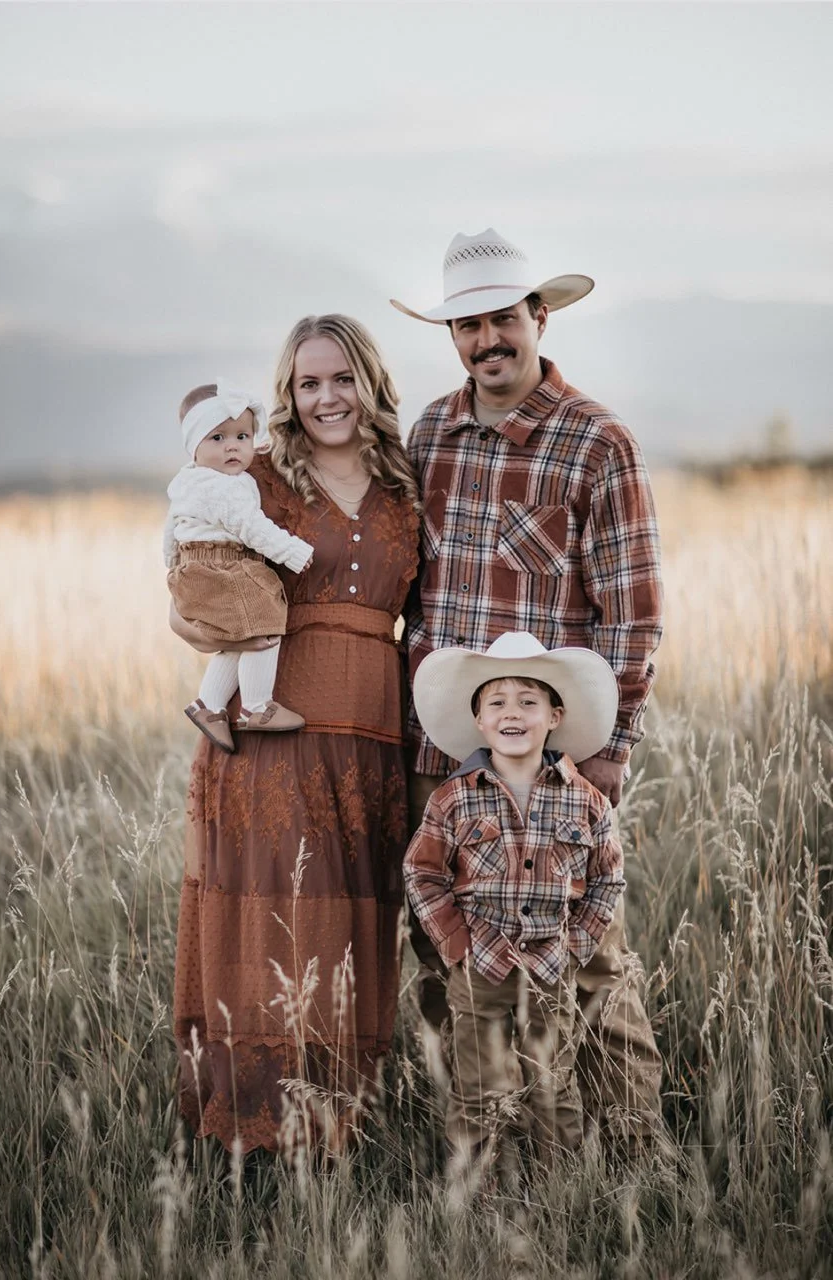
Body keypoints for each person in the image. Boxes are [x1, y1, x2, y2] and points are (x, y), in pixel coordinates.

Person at [391, 227, 665, 1150]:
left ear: (538, 317)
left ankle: (630, 1160)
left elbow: (631, 615)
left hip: (553, 761)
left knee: (589, 965)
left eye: (503, 319)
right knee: (449, 959)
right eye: (466, 326)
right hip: (440, 753)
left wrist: (609, 755)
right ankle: (486, 1155)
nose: (486, 342)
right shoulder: (429, 433)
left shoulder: (597, 444)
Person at [170, 315, 420, 1155]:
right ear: (287, 394)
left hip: (372, 736)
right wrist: (196, 617)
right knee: (272, 920)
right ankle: (255, 1136)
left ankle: (334, 1126)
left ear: (370, 385)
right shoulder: (257, 477)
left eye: (341, 379)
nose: (326, 398)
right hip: (272, 732)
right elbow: (194, 572)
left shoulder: (406, 485)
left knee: (348, 930)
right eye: (308, 383)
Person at [403, 632, 625, 1182]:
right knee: (477, 1091)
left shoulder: (586, 801)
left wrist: (576, 946)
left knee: (553, 1088)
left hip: (552, 970)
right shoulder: (452, 799)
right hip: (479, 971)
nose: (513, 713)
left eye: (529, 701)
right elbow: (422, 872)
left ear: (555, 715)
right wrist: (456, 945)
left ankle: (561, 1196)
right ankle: (475, 1198)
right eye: (497, 702)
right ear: (478, 719)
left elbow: (607, 877)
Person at [164, 378, 314, 753]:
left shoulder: (187, 482)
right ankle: (256, 706)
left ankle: (209, 705)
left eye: (242, 437)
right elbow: (252, 528)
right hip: (223, 565)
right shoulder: (224, 488)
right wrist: (293, 552)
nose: (232, 446)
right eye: (217, 439)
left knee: (236, 639)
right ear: (194, 446)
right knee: (265, 621)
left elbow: (171, 529)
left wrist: (171, 568)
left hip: (194, 566)